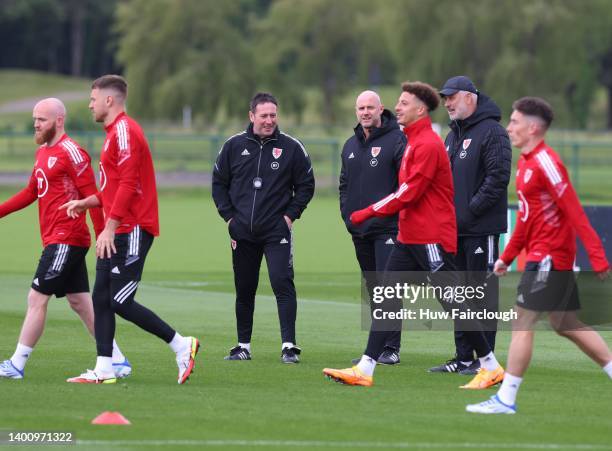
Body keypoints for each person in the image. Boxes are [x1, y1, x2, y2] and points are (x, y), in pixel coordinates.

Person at [323, 82, 504, 388]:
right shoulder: (412, 141)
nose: (398, 107)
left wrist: (367, 212)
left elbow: (407, 192)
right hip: (410, 237)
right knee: (386, 294)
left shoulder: (428, 145)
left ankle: (490, 365)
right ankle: (366, 367)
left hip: (430, 237)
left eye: (404, 103)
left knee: (454, 300)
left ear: (420, 109)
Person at [467, 97, 612, 414]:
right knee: (566, 324)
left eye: (515, 121)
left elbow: (573, 209)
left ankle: (506, 399)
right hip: (542, 255)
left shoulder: (547, 162)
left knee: (522, 321)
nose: (509, 128)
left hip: (550, 257)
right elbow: (526, 218)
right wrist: (507, 255)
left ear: (533, 128)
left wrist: (598, 256)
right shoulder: (525, 164)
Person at [61, 75, 199, 384]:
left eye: (93, 98)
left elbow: (129, 184)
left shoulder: (124, 131)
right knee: (100, 297)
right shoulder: (113, 134)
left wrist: (109, 227)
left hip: (132, 228)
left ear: (109, 100)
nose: (89, 104)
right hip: (117, 228)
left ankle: (181, 344)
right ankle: (105, 368)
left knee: (119, 300)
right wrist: (88, 202)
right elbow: (113, 188)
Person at [0, 98, 130, 380]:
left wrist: (102, 237)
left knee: (36, 297)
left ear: (59, 120)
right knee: (81, 303)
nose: (36, 124)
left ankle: (16, 364)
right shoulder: (43, 153)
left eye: (42, 119)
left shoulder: (72, 152)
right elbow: (30, 192)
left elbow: (93, 196)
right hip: (57, 239)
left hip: (66, 238)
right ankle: (117, 360)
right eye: (35, 119)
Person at [212, 92, 315, 364]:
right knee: (245, 288)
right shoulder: (233, 146)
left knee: (282, 282)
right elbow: (218, 183)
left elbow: (306, 185)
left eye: (273, 115)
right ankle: (243, 345)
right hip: (242, 231)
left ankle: (289, 346)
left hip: (276, 231)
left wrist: (290, 216)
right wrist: (229, 218)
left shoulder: (292, 147)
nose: (269, 120)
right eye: (264, 116)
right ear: (252, 116)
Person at [429, 76, 511, 375]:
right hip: (454, 232)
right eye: (445, 98)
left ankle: (483, 360)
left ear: (469, 97)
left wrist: (467, 213)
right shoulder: (452, 136)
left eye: (451, 97)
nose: (447, 103)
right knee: (460, 296)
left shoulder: (493, 132)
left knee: (482, 294)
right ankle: (463, 358)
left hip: (481, 230)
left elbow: (498, 179)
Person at [339, 90, 406, 365]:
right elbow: (344, 185)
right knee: (373, 287)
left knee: (389, 288)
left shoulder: (397, 141)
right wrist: (347, 215)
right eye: (361, 108)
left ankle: (391, 348)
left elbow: (405, 185)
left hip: (388, 228)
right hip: (359, 230)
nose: (365, 112)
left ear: (381, 110)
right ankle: (376, 348)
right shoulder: (350, 145)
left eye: (370, 108)